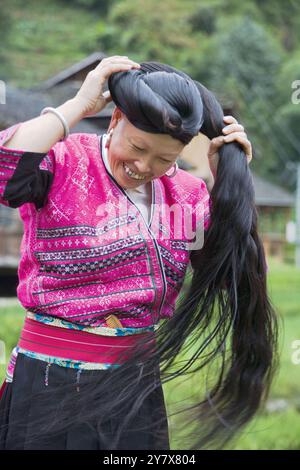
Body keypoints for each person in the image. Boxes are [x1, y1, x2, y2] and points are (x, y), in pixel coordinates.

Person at [0, 56, 277, 450]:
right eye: (137, 147)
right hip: (48, 382)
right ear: (115, 122)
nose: (143, 166)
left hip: (134, 388)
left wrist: (228, 185)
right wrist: (79, 105)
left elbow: (233, 273)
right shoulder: (64, 162)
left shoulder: (187, 195)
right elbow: (3, 168)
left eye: (163, 159)